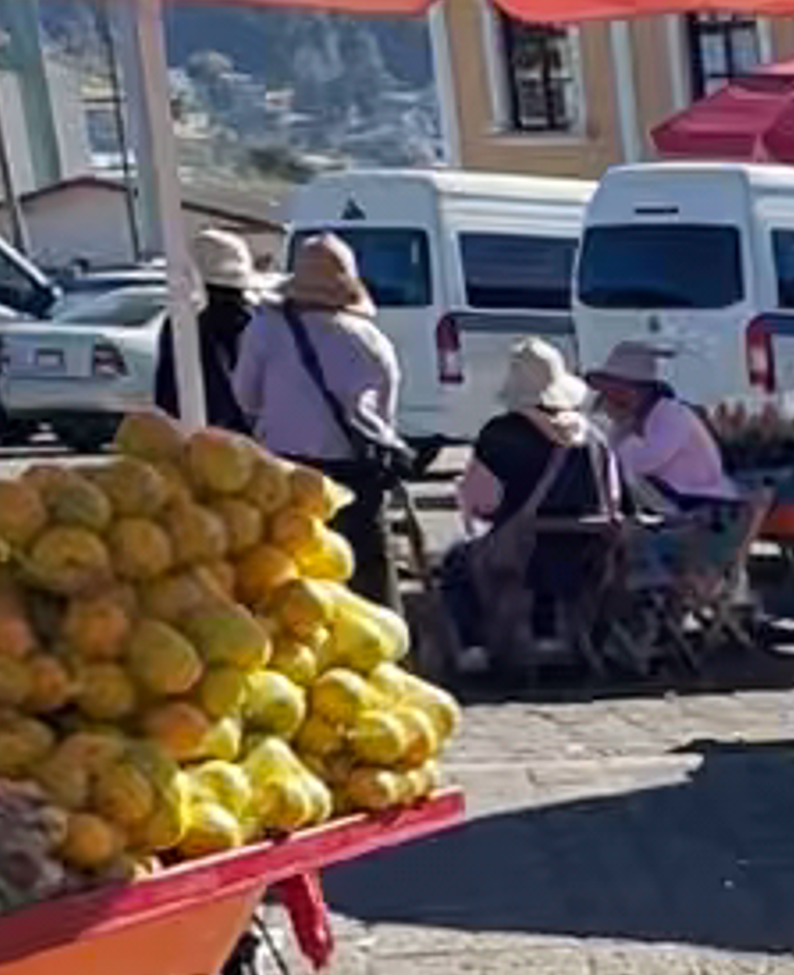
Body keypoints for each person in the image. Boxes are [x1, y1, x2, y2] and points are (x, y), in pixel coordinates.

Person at [230, 232, 411, 602]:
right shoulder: (371, 339)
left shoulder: (266, 331)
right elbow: (385, 416)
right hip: (358, 472)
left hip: (287, 473)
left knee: (291, 580)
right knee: (368, 584)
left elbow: (245, 397)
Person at [438, 338, 622, 679]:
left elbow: (483, 503)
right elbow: (612, 496)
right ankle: (554, 636)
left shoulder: (502, 435)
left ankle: (473, 646)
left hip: (522, 555)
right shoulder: (594, 437)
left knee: (457, 561)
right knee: (547, 561)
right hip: (588, 555)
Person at [591, 345, 732, 517]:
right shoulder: (639, 418)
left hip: (701, 505)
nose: (609, 398)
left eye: (616, 390)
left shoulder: (671, 414)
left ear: (640, 390)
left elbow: (641, 463)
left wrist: (621, 429)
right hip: (678, 503)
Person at [154, 235, 263, 433]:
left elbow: (165, 395)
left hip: (198, 438)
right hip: (251, 440)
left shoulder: (182, 324)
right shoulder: (258, 321)